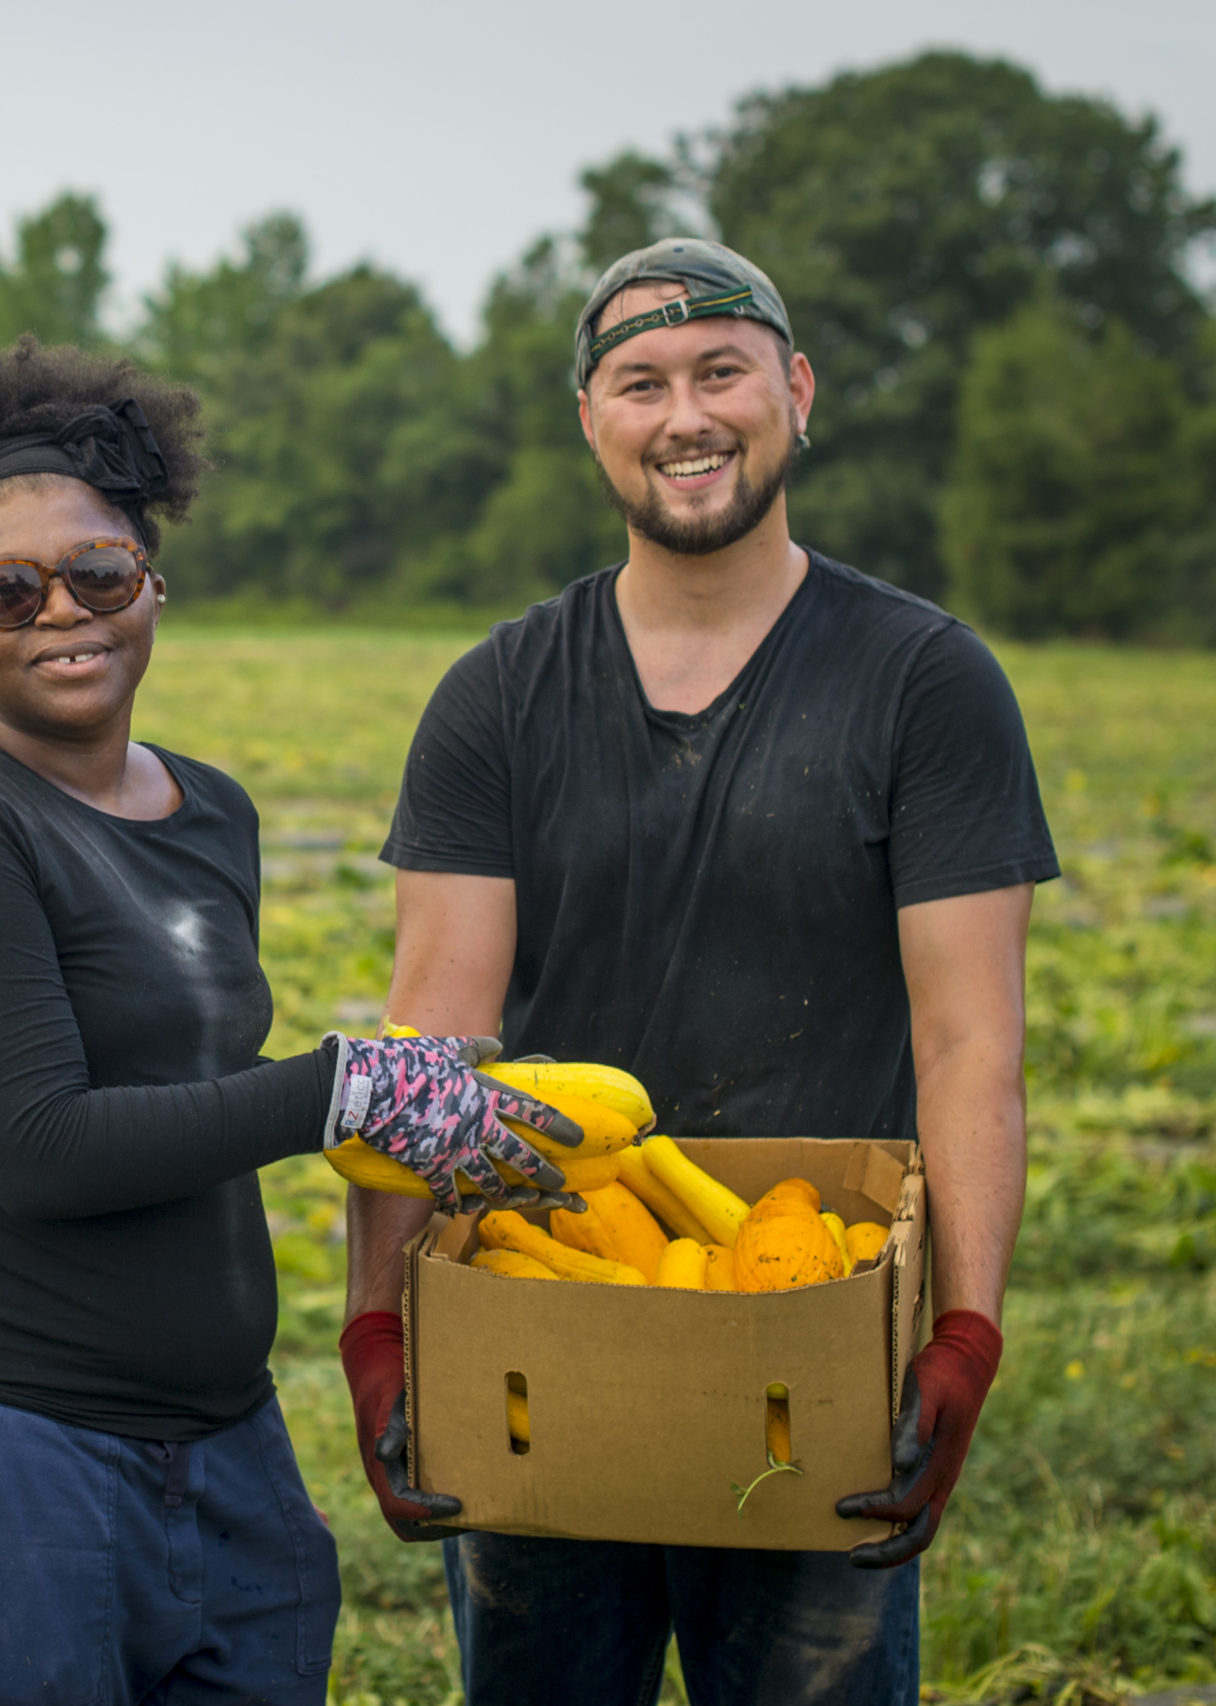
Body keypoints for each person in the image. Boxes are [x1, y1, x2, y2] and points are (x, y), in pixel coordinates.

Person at [338, 239, 1059, 1704]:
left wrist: (967, 1330)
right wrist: (378, 1325)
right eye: (641, 381)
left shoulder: (926, 684)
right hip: (547, 1317)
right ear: (591, 419)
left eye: (722, 371)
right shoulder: (498, 696)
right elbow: (437, 1037)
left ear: (796, 389)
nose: (687, 415)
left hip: (814, 1330)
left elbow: (970, 1039)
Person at [0, 335, 591, 1705]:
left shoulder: (212, 809)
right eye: (6, 589)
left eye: (99, 572)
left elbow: (194, 1083)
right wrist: (343, 1093)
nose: (60, 609)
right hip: (4, 1445)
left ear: (153, 590)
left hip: (225, 1444)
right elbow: (41, 1148)